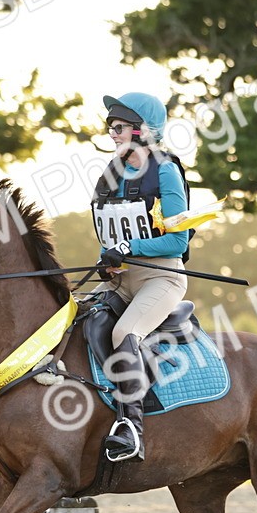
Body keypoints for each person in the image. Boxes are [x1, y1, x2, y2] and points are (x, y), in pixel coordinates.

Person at [91, 92, 192, 464]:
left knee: (123, 333)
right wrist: (109, 258)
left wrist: (129, 248)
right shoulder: (112, 173)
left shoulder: (166, 170)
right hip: (120, 278)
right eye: (111, 128)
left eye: (119, 128)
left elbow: (178, 239)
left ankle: (131, 428)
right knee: (75, 319)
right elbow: (110, 231)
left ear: (142, 130)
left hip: (161, 277)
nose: (113, 135)